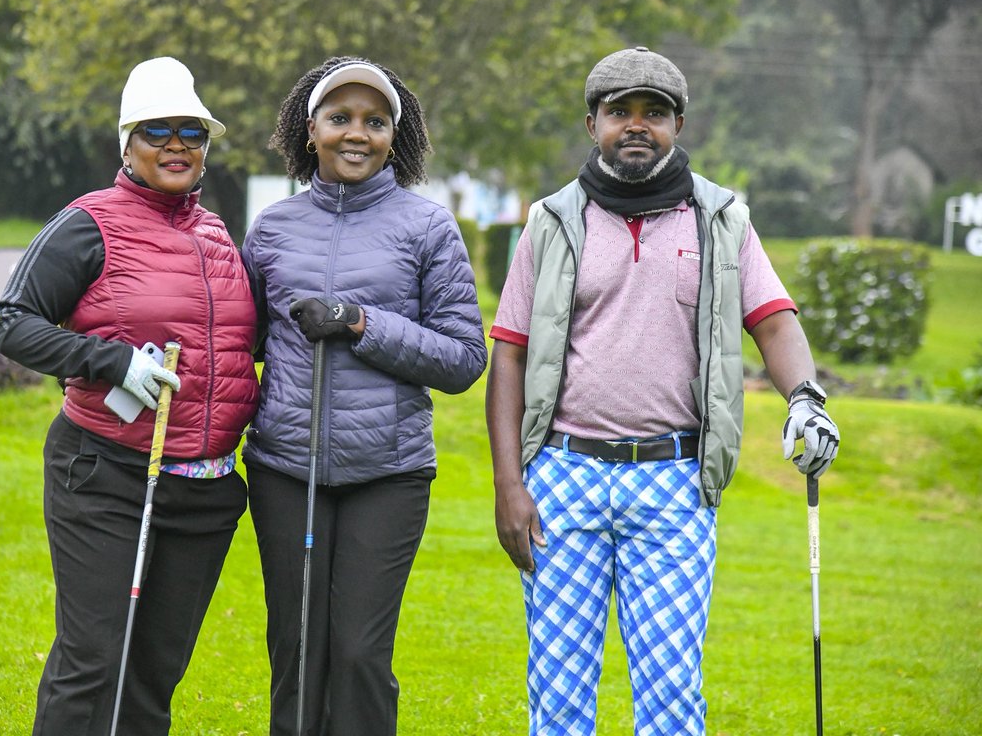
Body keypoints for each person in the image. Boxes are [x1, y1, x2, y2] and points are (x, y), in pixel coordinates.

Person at [485, 46, 840, 736]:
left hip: (675, 483)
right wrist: (508, 485)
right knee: (556, 700)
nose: (637, 125)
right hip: (563, 479)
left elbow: (774, 321)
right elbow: (510, 357)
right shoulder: (550, 223)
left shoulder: (722, 220)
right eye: (620, 112)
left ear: (679, 124)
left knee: (672, 696)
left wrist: (807, 399)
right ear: (593, 124)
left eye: (655, 112)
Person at [0, 56, 259, 736]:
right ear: (127, 145)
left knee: (152, 678)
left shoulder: (218, 235)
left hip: (204, 491)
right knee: (92, 662)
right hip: (106, 472)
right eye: (157, 130)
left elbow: (237, 346)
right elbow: (13, 322)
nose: (177, 144)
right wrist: (109, 362)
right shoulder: (89, 222)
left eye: (191, 132)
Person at [241, 56, 488, 735]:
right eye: (341, 118)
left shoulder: (427, 227)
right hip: (287, 469)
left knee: (357, 654)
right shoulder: (271, 229)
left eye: (375, 122)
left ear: (393, 137)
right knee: (296, 647)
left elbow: (465, 358)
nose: (358, 133)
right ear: (309, 129)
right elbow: (244, 343)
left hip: (389, 471)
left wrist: (361, 324)